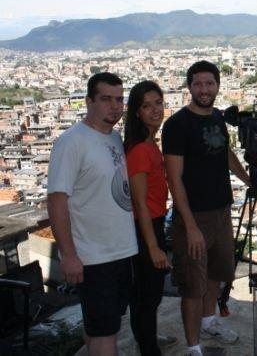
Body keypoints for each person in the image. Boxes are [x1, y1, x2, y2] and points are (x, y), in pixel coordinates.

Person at [162, 60, 251, 356]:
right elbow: (174, 180)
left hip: (221, 211)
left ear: (217, 86)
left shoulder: (217, 117)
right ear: (189, 87)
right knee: (192, 285)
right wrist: (189, 226)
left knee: (216, 274)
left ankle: (209, 320)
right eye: (198, 84)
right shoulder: (176, 126)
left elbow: (225, 154)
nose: (204, 89)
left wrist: (248, 180)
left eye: (209, 83)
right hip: (194, 217)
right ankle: (193, 346)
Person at [48, 72, 137, 356]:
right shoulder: (72, 142)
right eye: (106, 99)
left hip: (119, 251)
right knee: (105, 333)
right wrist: (69, 255)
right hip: (94, 257)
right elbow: (57, 201)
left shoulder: (112, 137)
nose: (114, 106)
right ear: (88, 102)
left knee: (101, 326)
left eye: (119, 99)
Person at [124, 80, 177, 355]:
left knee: (148, 295)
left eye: (158, 103)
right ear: (136, 112)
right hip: (145, 228)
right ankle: (148, 348)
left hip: (152, 224)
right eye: (147, 106)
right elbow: (140, 204)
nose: (155, 110)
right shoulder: (140, 151)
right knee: (147, 296)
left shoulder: (148, 143)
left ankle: (148, 340)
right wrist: (154, 246)